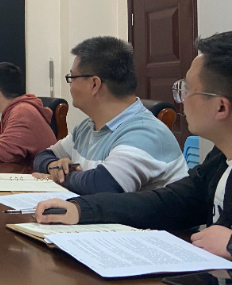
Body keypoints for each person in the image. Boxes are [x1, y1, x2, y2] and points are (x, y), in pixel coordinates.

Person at [35, 31, 232, 260]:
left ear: (220, 107)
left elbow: (105, 184)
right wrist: (82, 210)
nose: (182, 99)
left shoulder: (145, 131)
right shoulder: (219, 159)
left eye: (187, 90)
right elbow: (171, 201)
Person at [33, 36, 186, 194]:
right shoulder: (87, 127)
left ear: (94, 84)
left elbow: (104, 185)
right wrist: (53, 166)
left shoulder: (146, 132)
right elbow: (44, 156)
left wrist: (59, 179)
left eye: (71, 78)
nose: (70, 86)